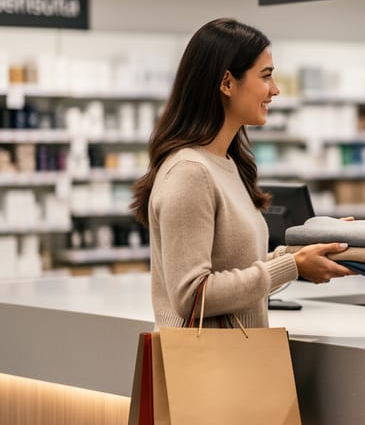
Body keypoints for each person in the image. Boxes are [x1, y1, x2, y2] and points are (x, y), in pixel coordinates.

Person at [131, 17, 353, 329]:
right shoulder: (190, 172)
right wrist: (291, 266)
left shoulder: (227, 164)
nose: (274, 90)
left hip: (233, 363)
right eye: (266, 76)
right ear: (226, 83)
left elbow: (240, 274)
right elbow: (192, 297)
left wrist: (300, 255)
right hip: (205, 371)